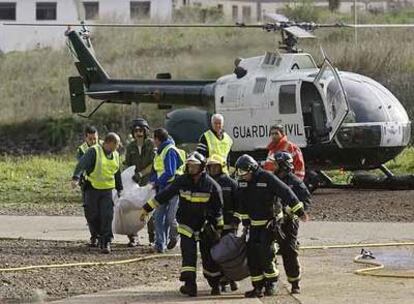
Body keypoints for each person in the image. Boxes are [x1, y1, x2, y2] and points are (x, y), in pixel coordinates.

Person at [141, 152, 224, 297]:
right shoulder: (182, 181)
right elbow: (166, 194)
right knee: (188, 256)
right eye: (189, 166)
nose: (191, 169)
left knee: (209, 256)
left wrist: (218, 229)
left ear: (202, 167)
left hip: (206, 226)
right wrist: (147, 208)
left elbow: (218, 210)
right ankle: (190, 285)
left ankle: (215, 284)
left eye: (194, 166)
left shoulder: (212, 186)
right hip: (187, 225)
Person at [234, 154, 307, 298]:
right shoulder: (242, 182)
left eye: (244, 172)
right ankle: (257, 287)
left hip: (270, 222)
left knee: (266, 253)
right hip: (254, 225)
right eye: (240, 173)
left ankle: (271, 284)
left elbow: (286, 192)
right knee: (252, 255)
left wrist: (299, 210)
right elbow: (242, 203)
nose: (243, 176)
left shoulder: (266, 178)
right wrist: (245, 222)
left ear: (252, 169)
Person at [72, 132, 123, 254]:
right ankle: (97, 235)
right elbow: (81, 164)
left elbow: (117, 172)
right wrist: (75, 178)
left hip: (107, 190)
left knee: (107, 215)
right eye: (116, 145)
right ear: (109, 143)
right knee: (92, 215)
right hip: (92, 189)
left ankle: (106, 241)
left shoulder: (115, 155)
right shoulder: (94, 152)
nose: (118, 147)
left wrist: (120, 188)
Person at [271, 151, 311, 294]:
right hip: (273, 222)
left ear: (283, 165)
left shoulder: (296, 183)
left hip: (289, 223)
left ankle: (295, 283)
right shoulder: (271, 179)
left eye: (276, 163)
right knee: (270, 251)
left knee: (289, 252)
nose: (273, 166)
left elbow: (306, 202)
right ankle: (271, 282)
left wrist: (292, 210)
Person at [206, 154, 239, 292]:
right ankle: (219, 282)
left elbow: (239, 203)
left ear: (222, 167)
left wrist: (236, 219)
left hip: (229, 225)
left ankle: (231, 279)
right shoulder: (205, 183)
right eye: (211, 166)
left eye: (216, 166)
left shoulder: (231, 183)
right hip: (212, 226)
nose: (213, 169)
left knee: (230, 254)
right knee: (215, 255)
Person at [149, 128, 186, 253]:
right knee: (158, 216)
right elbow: (157, 170)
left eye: (154, 139)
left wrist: (156, 182)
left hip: (172, 188)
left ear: (157, 139)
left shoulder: (169, 151)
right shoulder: (159, 152)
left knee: (171, 217)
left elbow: (169, 172)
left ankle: (174, 236)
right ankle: (160, 244)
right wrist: (153, 180)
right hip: (162, 188)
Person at [124, 118, 156, 247]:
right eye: (136, 130)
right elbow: (128, 164)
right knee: (132, 210)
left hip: (149, 182)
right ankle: (133, 237)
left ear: (145, 131)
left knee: (150, 210)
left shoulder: (151, 145)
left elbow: (154, 163)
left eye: (141, 130)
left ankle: (153, 238)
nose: (139, 133)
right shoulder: (130, 146)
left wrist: (141, 174)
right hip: (134, 183)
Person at [75, 126, 100, 247]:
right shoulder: (82, 150)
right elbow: (83, 166)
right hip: (88, 184)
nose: (93, 142)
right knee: (90, 212)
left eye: (95, 138)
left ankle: (102, 236)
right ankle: (94, 236)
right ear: (86, 138)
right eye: (91, 139)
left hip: (102, 184)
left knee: (103, 212)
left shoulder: (102, 146)